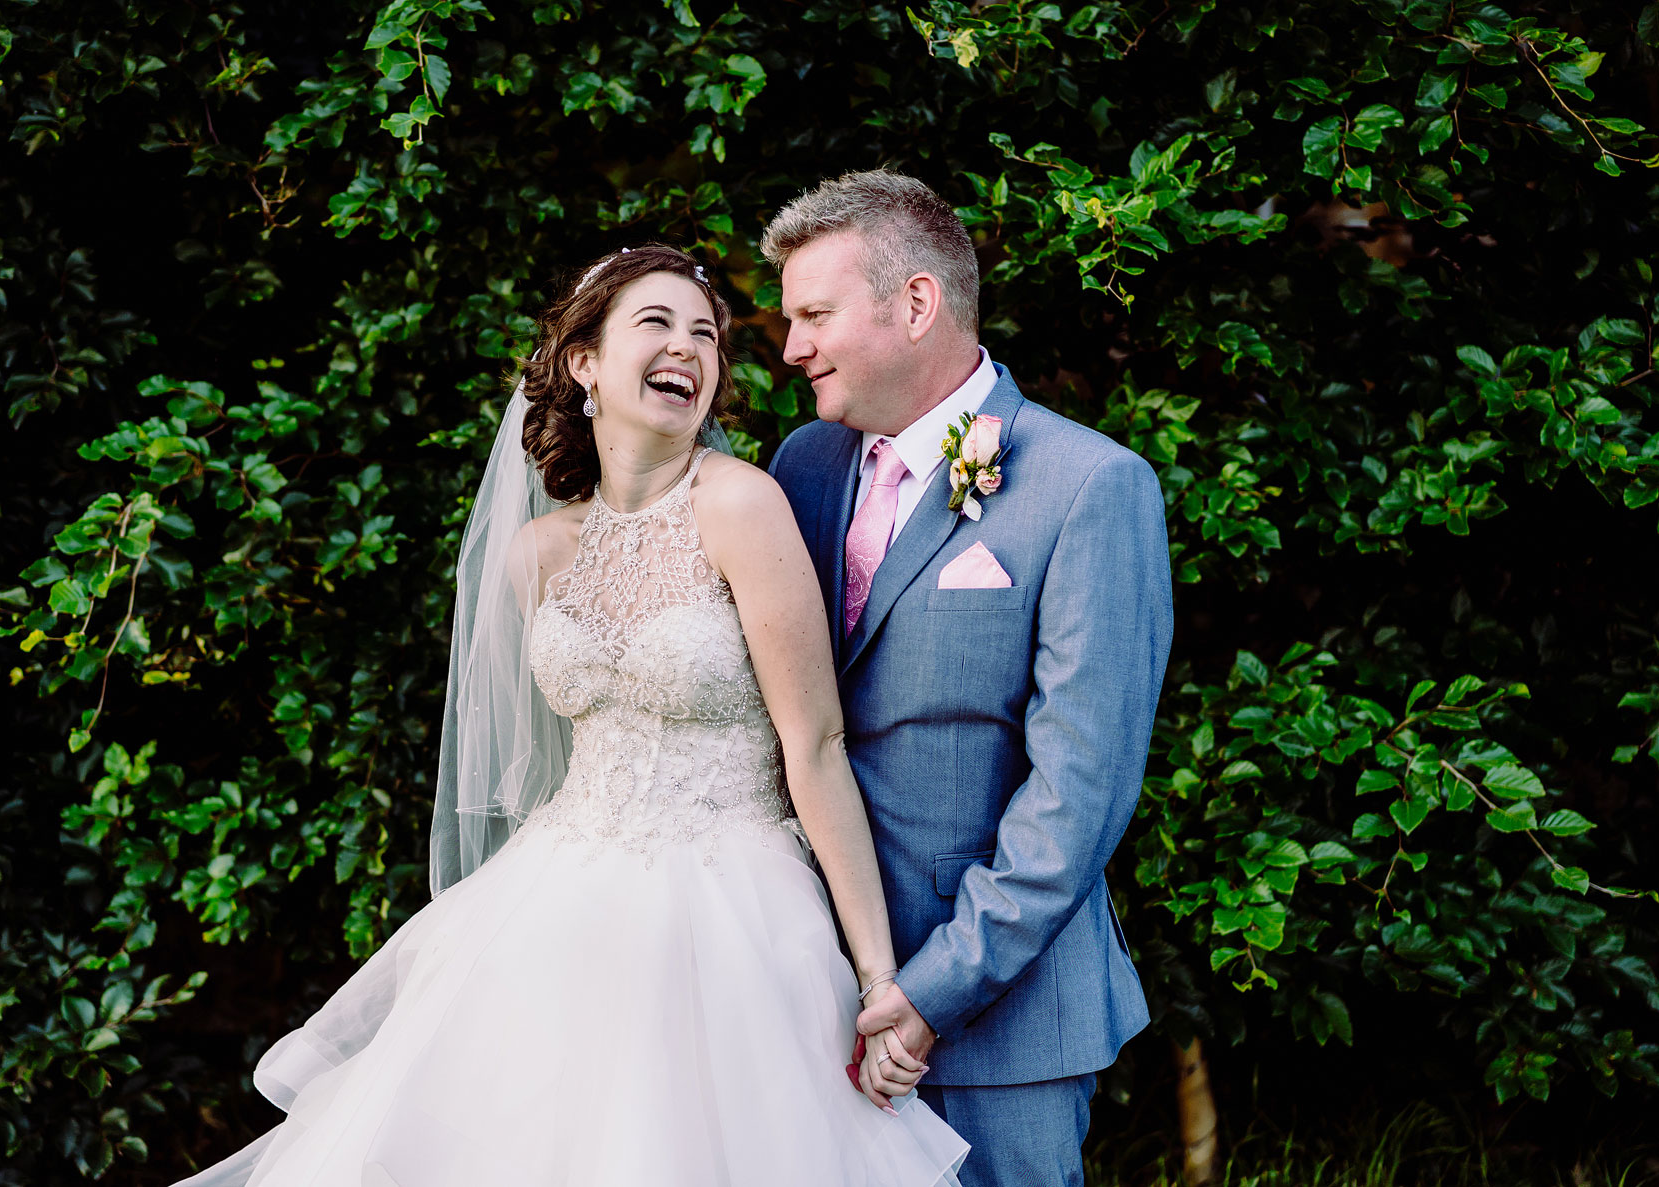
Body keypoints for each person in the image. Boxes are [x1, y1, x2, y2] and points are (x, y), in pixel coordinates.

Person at [169, 243, 967, 1186]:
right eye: (657, 324)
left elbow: (817, 745)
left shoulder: (743, 505)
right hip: (554, 904)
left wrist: (878, 978)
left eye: (705, 333)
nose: (689, 348)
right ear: (585, 362)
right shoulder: (539, 553)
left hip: (730, 910)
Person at [763, 171, 1173, 1187]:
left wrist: (929, 992)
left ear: (914, 304)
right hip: (809, 994)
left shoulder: (1088, 486)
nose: (790, 348)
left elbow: (1076, 794)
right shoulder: (801, 468)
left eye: (813, 314)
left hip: (1000, 1021)